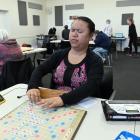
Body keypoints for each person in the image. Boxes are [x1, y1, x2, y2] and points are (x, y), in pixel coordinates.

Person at [27, 16, 103, 108]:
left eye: (79, 31)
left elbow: (91, 86)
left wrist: (63, 99)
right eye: (72, 30)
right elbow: (40, 69)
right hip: (53, 102)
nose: (74, 34)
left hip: (80, 104)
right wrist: (32, 86)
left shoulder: (95, 61)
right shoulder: (59, 55)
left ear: (90, 36)